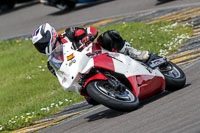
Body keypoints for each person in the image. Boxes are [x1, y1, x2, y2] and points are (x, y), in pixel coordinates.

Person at [32, 23, 149, 76]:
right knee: (91, 100)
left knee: (108, 36)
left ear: (50, 34)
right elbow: (63, 75)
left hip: (97, 53)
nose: (42, 46)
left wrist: (87, 38)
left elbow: (91, 30)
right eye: (39, 46)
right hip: (84, 70)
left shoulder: (69, 33)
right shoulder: (54, 60)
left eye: (43, 43)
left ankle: (134, 53)